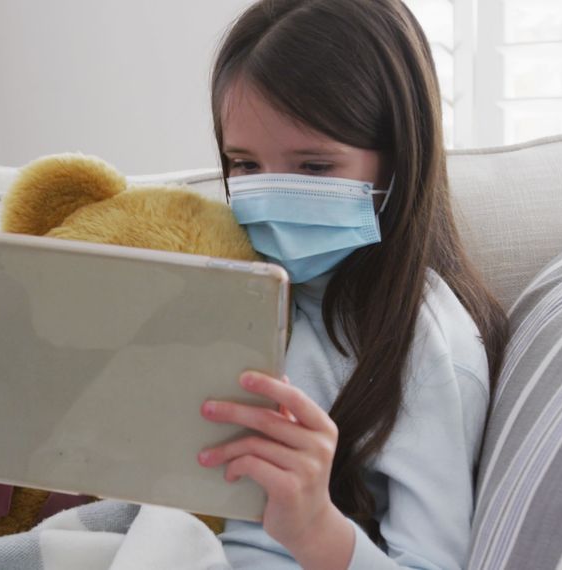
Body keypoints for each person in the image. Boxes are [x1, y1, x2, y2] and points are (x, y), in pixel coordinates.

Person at [194, 0, 509, 568]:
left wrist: (315, 526)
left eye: (314, 168)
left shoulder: (426, 347)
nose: (271, 196)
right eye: (244, 165)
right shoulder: (219, 276)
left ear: (399, 160)